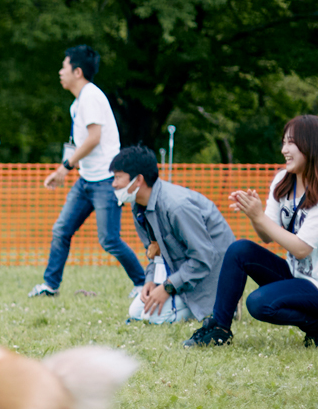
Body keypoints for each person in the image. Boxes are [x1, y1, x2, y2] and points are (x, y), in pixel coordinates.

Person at [185, 114, 318, 349]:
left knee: (259, 303)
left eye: (291, 143)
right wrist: (254, 215)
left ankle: (317, 324)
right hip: (296, 274)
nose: (284, 150)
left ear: (312, 145)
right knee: (240, 250)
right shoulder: (283, 180)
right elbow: (266, 236)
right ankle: (219, 329)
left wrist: (259, 217)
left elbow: (301, 248)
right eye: (284, 142)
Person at [29, 46, 143, 297]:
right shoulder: (78, 102)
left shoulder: (91, 96)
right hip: (86, 180)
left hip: (105, 181)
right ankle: (50, 286)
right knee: (61, 230)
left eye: (64, 66)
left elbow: (94, 138)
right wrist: (72, 166)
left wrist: (64, 167)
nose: (60, 72)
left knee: (109, 240)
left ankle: (143, 284)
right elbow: (84, 143)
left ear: (77, 71)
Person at [109, 146, 233, 324]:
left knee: (156, 317)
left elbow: (204, 258)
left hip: (213, 275)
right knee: (136, 311)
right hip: (183, 272)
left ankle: (223, 304)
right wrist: (150, 281)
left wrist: (167, 287)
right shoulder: (138, 205)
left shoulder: (176, 206)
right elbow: (153, 252)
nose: (114, 184)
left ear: (138, 180)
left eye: (118, 177)